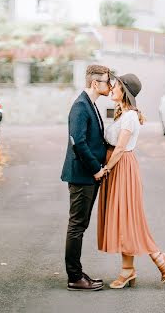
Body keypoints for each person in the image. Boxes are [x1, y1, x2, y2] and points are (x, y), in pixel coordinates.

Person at [98, 73, 165, 289]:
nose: (112, 88)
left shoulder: (130, 116)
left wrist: (106, 169)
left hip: (121, 167)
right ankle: (129, 269)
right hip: (118, 166)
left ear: (125, 91)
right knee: (124, 219)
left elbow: (121, 148)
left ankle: (158, 257)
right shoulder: (122, 113)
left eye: (116, 86)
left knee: (128, 219)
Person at [61, 64, 112, 291]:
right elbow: (78, 142)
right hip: (83, 176)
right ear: (95, 83)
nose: (110, 86)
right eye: (107, 82)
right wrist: (95, 169)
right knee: (77, 225)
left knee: (80, 224)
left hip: (88, 176)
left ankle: (78, 273)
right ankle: (74, 277)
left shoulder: (90, 104)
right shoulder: (81, 106)